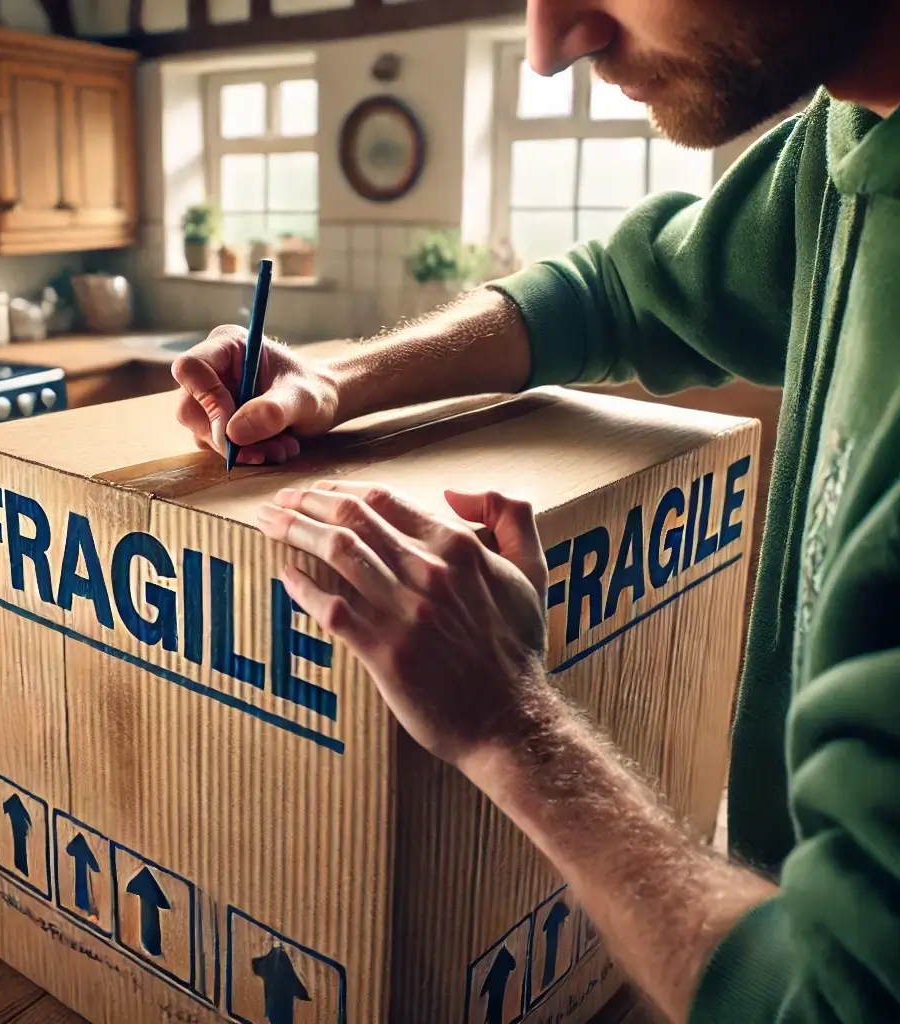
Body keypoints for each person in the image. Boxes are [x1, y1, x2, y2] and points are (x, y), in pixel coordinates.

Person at [171, 0, 900, 1017]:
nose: (550, 45)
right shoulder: (849, 132)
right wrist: (339, 380)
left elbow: (833, 1001)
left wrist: (506, 719)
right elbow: (611, 292)